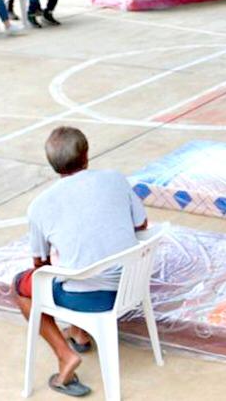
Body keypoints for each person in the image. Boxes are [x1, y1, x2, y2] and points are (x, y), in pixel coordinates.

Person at [14, 127, 148, 398]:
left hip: (91, 298)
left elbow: (40, 263)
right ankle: (80, 335)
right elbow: (141, 224)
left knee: (22, 285)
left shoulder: (40, 205)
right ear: (86, 155)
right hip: (131, 285)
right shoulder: (115, 179)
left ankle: (66, 356)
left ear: (52, 164)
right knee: (82, 265)